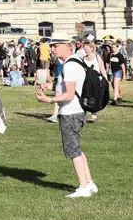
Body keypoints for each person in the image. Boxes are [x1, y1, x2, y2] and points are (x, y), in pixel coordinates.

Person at [36, 38, 98, 198]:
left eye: (55, 46)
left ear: (66, 46)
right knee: (77, 148)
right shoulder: (75, 61)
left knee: (73, 150)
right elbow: (67, 86)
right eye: (51, 46)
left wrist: (49, 100)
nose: (52, 49)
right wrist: (50, 86)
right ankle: (89, 183)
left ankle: (83, 187)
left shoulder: (70, 65)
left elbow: (69, 94)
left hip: (71, 111)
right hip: (77, 110)